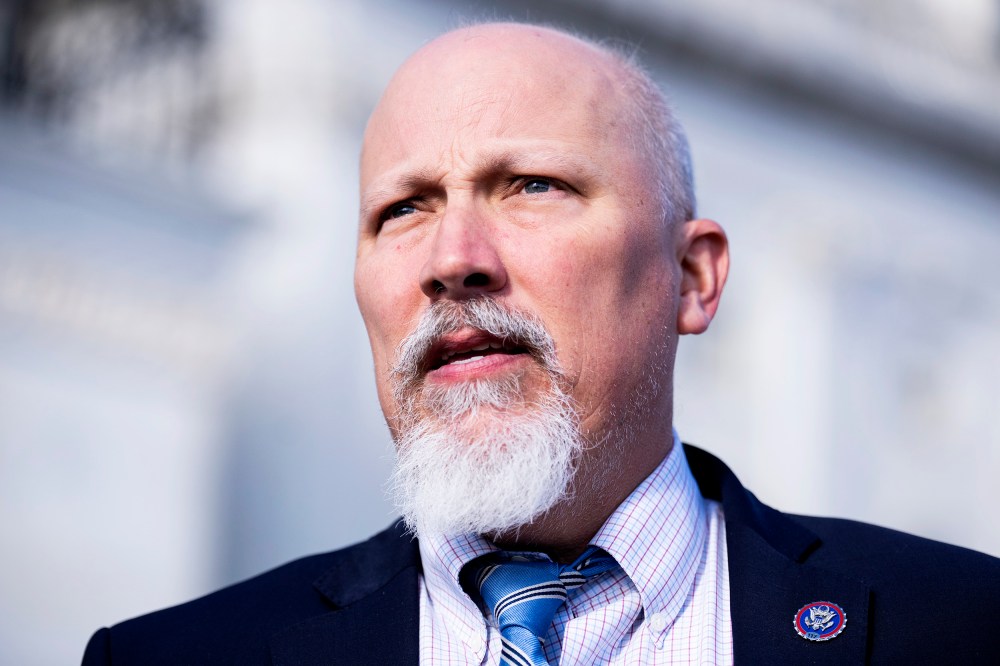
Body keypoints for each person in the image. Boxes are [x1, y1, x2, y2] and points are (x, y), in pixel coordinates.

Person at [82, 22, 1000, 665]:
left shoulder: (963, 627)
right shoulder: (173, 657)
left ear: (692, 277)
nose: (453, 260)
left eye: (531, 186)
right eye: (403, 209)